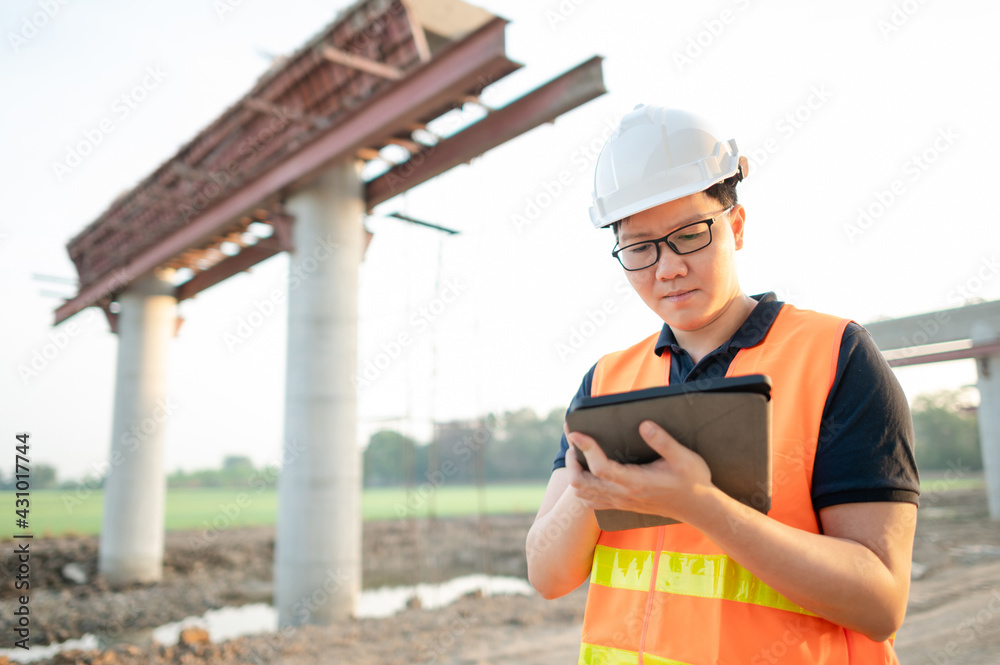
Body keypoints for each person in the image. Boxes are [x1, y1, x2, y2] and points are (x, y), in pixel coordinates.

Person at [525, 105, 920, 665]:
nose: (666, 269)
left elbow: (880, 602)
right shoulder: (607, 381)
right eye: (639, 248)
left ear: (734, 225)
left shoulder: (835, 357)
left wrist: (703, 506)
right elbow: (547, 575)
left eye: (688, 235)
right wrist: (594, 489)